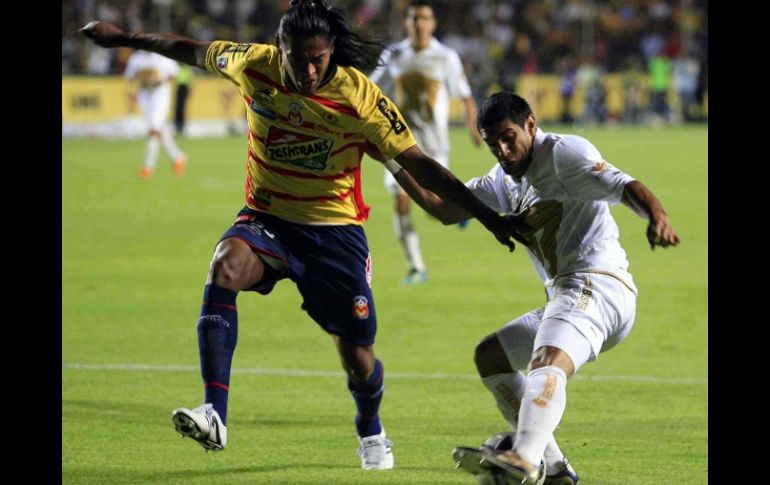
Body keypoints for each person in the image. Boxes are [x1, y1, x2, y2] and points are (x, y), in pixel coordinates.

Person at [79, 0, 522, 471]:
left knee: (358, 357)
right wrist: (125, 39)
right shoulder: (251, 63)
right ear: (279, 47)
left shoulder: (360, 97)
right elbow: (188, 48)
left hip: (335, 234)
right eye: (298, 58)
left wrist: (486, 215)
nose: (309, 70)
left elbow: (421, 166)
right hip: (269, 220)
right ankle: (214, 412)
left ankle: (371, 428)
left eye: (319, 59)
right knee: (225, 264)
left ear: (331, 51)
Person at [384, 92, 680, 484]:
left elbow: (627, 186)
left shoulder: (564, 155)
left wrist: (656, 217)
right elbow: (444, 208)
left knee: (547, 360)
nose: (503, 151)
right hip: (567, 295)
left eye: (509, 138)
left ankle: (524, 456)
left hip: (599, 284)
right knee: (491, 356)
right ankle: (555, 469)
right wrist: (392, 158)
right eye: (494, 145)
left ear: (530, 125)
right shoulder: (502, 180)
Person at [368, 0, 483, 284]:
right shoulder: (394, 54)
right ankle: (416, 266)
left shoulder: (446, 57)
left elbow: (465, 95)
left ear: (433, 23)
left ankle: (458, 208)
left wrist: (473, 127)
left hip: (434, 145)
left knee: (434, 205)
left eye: (425, 18)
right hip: (400, 143)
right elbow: (370, 89)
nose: (419, 23)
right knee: (402, 202)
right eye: (414, 18)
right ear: (406, 23)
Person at [123, 49, 188, 178]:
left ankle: (148, 167)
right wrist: (141, 76)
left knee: (154, 129)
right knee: (158, 130)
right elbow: (129, 76)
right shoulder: (136, 58)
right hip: (145, 94)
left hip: (160, 94)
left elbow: (174, 73)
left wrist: (160, 80)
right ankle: (179, 157)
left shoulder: (163, 56)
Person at [174, 63, 193, 135]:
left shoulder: (186, 69)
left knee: (182, 109)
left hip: (184, 88)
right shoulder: (178, 69)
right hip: (179, 89)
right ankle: (178, 126)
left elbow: (189, 81)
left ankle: (181, 126)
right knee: (178, 109)